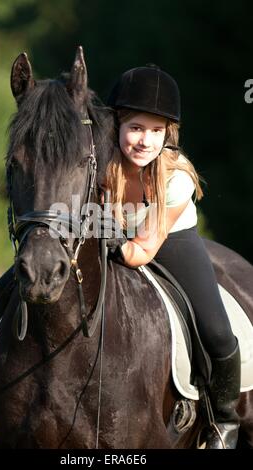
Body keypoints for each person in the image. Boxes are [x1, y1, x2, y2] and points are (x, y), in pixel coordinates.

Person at [103, 64, 241, 449]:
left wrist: (108, 239)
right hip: (114, 239)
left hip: (167, 241)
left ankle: (225, 419)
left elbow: (142, 249)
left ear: (169, 134)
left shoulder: (175, 178)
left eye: (156, 131)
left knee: (215, 328)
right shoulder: (100, 166)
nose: (146, 141)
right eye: (136, 128)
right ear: (116, 125)